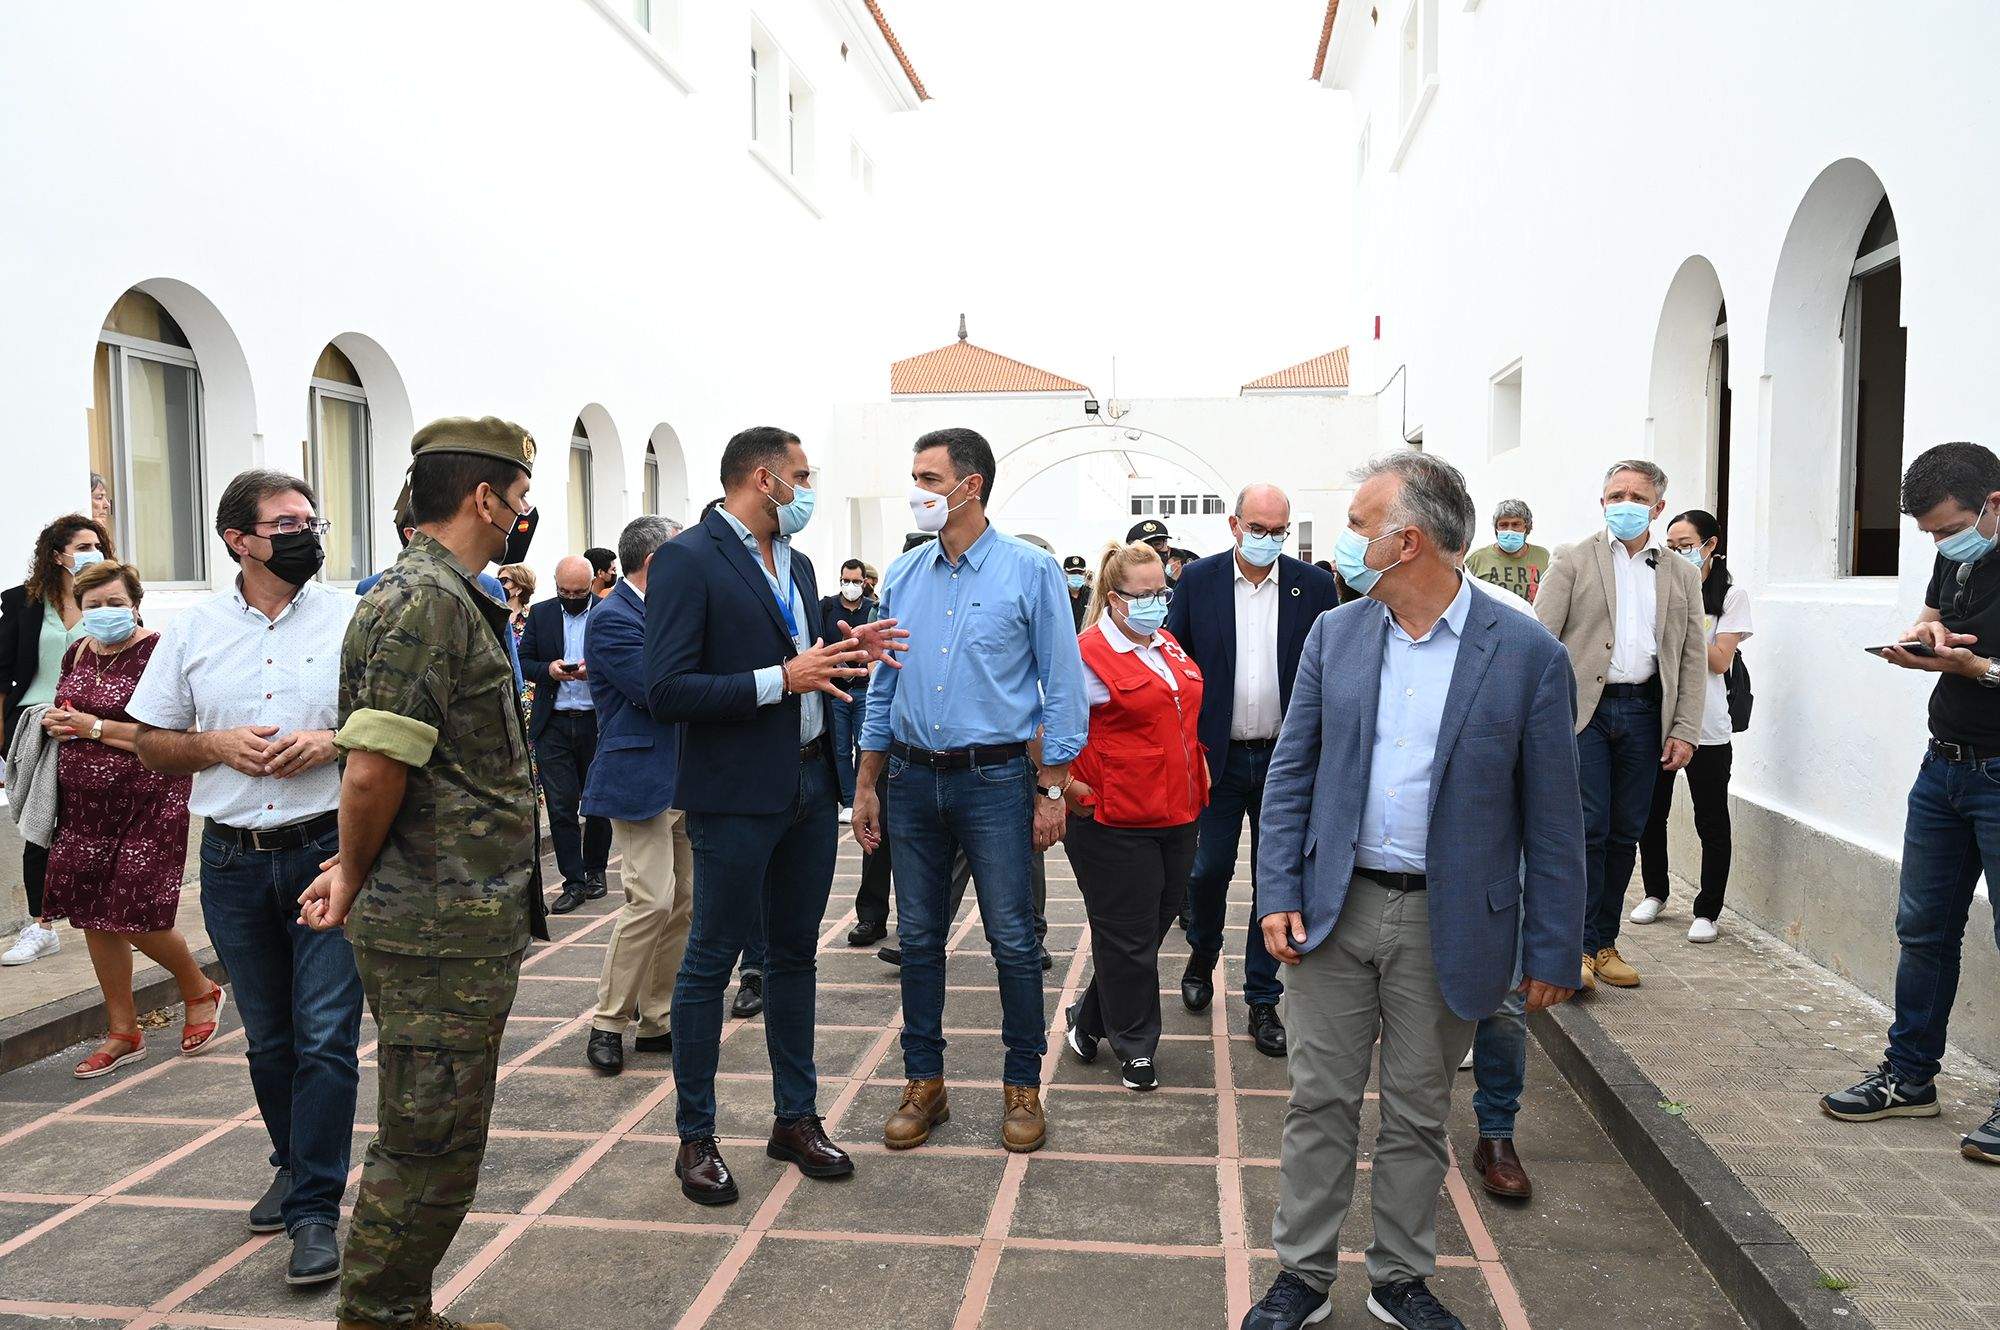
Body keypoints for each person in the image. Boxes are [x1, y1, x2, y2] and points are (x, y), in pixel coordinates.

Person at [1243, 452, 1584, 1330]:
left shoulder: (1527, 657)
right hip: (1335, 905)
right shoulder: (1338, 633)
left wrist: (1552, 949)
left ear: (1410, 541)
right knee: (1318, 1099)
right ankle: (1303, 1278)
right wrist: (1276, 885)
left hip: (1451, 919)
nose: (1349, 544)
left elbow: (1553, 822)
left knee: (1419, 1108)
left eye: (1362, 527)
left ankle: (1400, 1279)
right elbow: (1293, 774)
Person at [297, 416, 548, 1330]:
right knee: (427, 1144)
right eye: (520, 495)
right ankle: (380, 1316)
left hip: (458, 915)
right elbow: (374, 766)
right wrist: (351, 871)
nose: (523, 512)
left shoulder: (443, 593)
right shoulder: (426, 601)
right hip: (435, 921)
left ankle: (398, 1308)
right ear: (485, 497)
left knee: (439, 1136)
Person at [644, 425, 902, 1205]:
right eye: (802, 474)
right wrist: (778, 678)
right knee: (710, 962)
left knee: (795, 956)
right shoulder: (689, 560)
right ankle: (697, 1137)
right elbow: (668, 690)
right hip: (733, 796)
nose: (809, 486)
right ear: (764, 479)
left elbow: (803, 657)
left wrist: (844, 644)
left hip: (805, 788)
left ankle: (795, 1117)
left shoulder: (795, 560)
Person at [129, 470, 363, 1287]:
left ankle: (315, 1212)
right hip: (231, 859)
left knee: (328, 1037)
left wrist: (333, 742)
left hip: (329, 852)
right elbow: (150, 741)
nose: (307, 533)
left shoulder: (350, 618)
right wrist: (216, 746)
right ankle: (293, 1161)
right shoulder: (192, 631)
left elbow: (397, 720)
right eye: (287, 522)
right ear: (239, 538)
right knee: (271, 1039)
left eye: (311, 519)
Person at [855, 427, 1086, 1156]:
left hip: (996, 780)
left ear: (970, 485)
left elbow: (1063, 685)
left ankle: (1023, 1086)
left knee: (1014, 942)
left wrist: (1053, 787)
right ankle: (925, 1083)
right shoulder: (902, 575)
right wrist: (867, 781)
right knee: (918, 939)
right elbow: (883, 687)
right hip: (912, 779)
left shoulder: (1030, 570)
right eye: (915, 476)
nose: (918, 490)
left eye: (929, 477)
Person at [1822, 441, 2000, 1166]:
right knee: (1923, 929)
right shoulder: (1957, 554)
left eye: (1946, 526)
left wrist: (1974, 666)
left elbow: (1980, 663)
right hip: (1944, 768)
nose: (1938, 541)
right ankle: (1910, 1077)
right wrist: (1925, 639)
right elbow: (1933, 615)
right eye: (1928, 532)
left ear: (1994, 502)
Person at [1165, 484, 1340, 1058]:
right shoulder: (1200, 581)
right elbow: (1175, 664)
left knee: (1276, 881)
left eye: (1278, 530)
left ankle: (1262, 998)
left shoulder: (1312, 586)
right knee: (1208, 869)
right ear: (1235, 524)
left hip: (1286, 760)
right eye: (1258, 528)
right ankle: (1201, 951)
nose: (1268, 539)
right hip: (1216, 757)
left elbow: (1330, 669)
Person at [1534, 459, 1706, 992]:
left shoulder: (1679, 572)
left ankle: (1604, 944)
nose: (1624, 503)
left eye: (1636, 495)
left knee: (1625, 832)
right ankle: (1577, 947)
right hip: (1584, 713)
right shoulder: (1572, 559)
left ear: (1657, 507)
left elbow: (1693, 653)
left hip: (1645, 713)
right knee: (1587, 830)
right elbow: (1541, 641)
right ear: (1602, 502)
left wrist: (1684, 728)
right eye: (1615, 494)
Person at [44, 559, 214, 1082]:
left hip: (149, 797)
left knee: (135, 910)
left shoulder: (158, 651)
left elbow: (172, 731)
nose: (103, 614)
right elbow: (65, 710)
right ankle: (123, 1031)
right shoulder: (78, 651)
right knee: (93, 914)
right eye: (92, 605)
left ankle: (198, 988)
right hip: (84, 804)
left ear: (135, 603)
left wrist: (90, 727)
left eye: (114, 603)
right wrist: (56, 722)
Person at [1060, 540, 1206, 1091]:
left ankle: (1090, 1017)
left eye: (1160, 592)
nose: (1155, 603)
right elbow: (1043, 721)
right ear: (1114, 598)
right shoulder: (1085, 652)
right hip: (1113, 818)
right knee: (1127, 935)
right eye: (1142, 595)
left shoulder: (1165, 644)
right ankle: (1137, 1046)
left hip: (1177, 810)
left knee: (1147, 930)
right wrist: (1063, 786)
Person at [581, 516, 690, 1075]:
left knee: (683, 902)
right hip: (638, 778)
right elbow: (659, 692)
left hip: (687, 778)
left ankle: (657, 1017)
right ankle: (608, 1021)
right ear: (654, 564)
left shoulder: (669, 612)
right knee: (649, 900)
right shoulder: (611, 618)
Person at [1633, 509, 1750, 943]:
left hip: (1708, 725)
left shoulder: (1732, 597)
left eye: (1687, 544)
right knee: (1651, 813)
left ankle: (1707, 910)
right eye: (1671, 545)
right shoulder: (1659, 588)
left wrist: (1685, 617)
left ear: (1710, 545)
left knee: (1711, 818)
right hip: (1659, 718)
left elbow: (1720, 661)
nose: (1678, 553)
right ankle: (1655, 892)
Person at [1, 513, 109, 967]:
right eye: (82, 547)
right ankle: (41, 925)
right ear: (57, 554)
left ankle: (101, 911)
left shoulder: (110, 602)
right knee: (40, 827)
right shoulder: (22, 603)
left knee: (95, 823)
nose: (91, 554)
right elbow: (4, 673)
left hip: (91, 726)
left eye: (97, 544)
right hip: (34, 729)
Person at [520, 556, 613, 913]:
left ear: (591, 584)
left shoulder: (606, 611)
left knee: (597, 802)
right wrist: (549, 669)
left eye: (578, 592)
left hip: (596, 721)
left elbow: (626, 656)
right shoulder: (542, 614)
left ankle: (596, 871)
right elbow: (524, 660)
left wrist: (597, 670)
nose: (571, 597)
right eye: (564, 591)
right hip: (554, 722)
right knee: (561, 806)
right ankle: (572, 881)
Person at [821, 558, 878, 822]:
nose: (851, 586)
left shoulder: (871, 609)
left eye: (856, 581)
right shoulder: (828, 607)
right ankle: (846, 799)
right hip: (836, 689)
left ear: (864, 582)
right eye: (846, 581)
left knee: (863, 744)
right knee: (841, 748)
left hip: (864, 688)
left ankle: (861, 795)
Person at [1464, 499, 1550, 604]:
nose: (1509, 530)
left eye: (1516, 524)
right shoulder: (1476, 559)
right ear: (1496, 528)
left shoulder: (1543, 557)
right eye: (1504, 525)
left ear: (1526, 527)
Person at [497, 563, 535, 636]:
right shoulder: (492, 610)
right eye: (497, 580)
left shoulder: (532, 618)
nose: (498, 584)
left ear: (519, 589)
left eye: (504, 580)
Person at [1062, 554, 1091, 631]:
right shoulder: (1058, 595)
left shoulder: (1091, 595)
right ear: (1064, 573)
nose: (1076, 575)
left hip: (1086, 639)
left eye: (1080, 572)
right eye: (1072, 572)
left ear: (1084, 573)